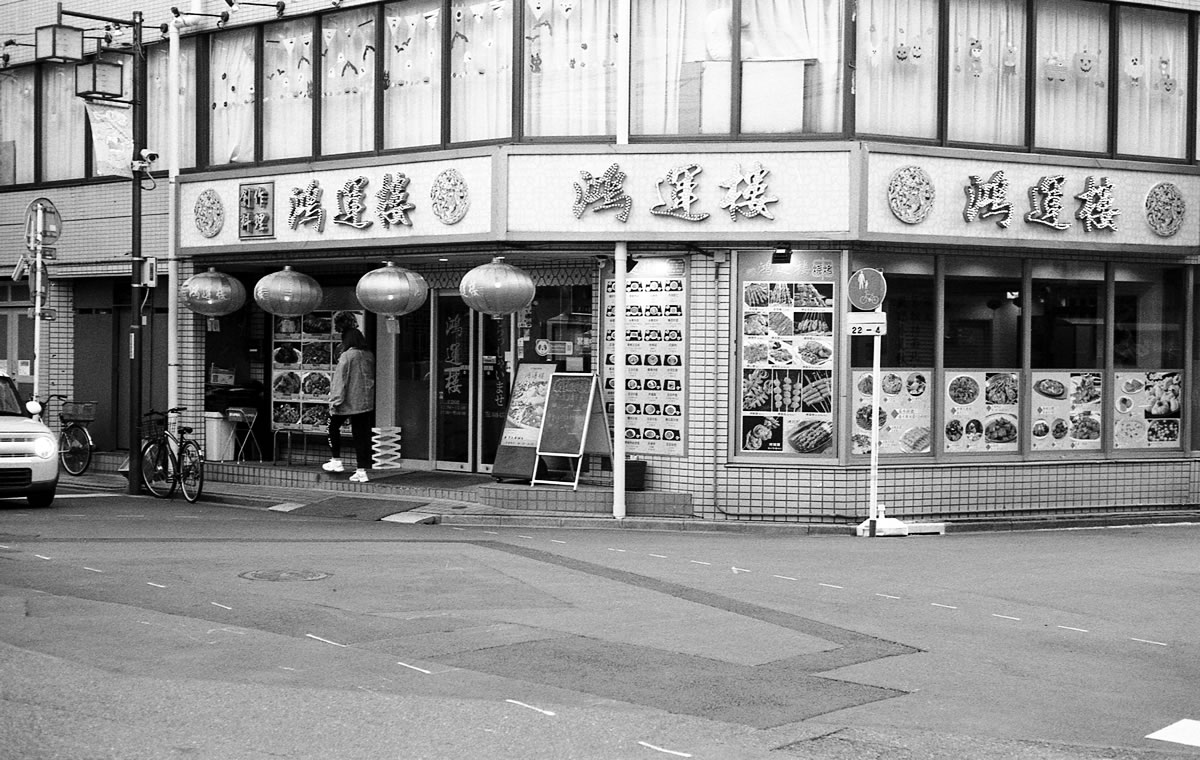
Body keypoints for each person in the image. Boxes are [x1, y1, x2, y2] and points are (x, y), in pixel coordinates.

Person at [322, 327, 376, 482]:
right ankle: (361, 470)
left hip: (347, 402)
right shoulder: (368, 355)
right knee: (361, 436)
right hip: (365, 402)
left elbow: (340, 380)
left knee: (331, 426)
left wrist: (335, 401)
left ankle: (336, 460)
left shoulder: (347, 356)